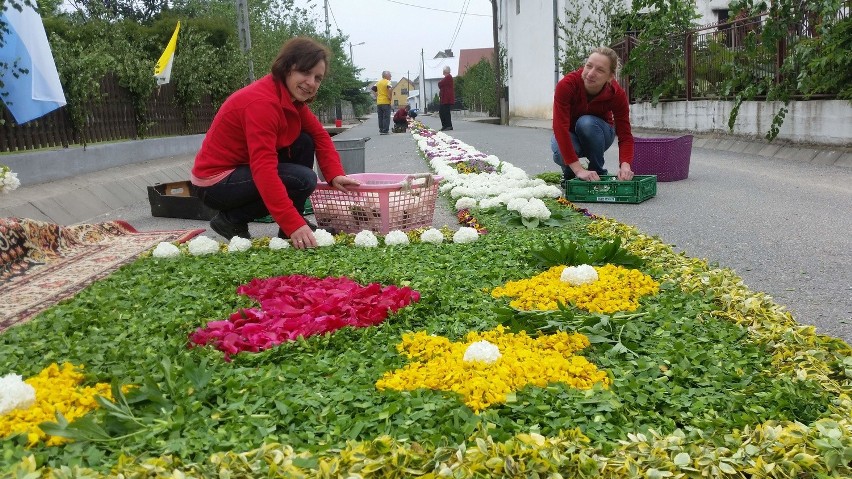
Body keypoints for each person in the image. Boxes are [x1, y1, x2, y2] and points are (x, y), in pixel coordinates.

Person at [191, 36, 360, 250]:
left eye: (318, 78)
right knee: (303, 179)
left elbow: (320, 135)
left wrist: (334, 174)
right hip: (215, 183)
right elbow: (264, 169)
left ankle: (287, 228)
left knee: (304, 142)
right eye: (305, 72)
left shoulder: (290, 100)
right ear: (287, 67)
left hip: (241, 170)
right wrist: (293, 224)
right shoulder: (262, 103)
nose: (311, 83)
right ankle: (232, 220)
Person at [551, 46, 635, 183]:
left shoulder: (616, 94)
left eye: (600, 70)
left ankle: (597, 172)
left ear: (610, 77)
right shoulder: (567, 85)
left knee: (586, 123)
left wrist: (625, 164)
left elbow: (625, 135)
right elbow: (560, 128)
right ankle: (571, 174)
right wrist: (578, 169)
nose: (590, 73)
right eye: (589, 66)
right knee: (560, 153)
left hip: (600, 134)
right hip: (570, 134)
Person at [375, 71, 393, 135]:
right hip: (386, 102)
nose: (391, 76)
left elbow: (373, 89)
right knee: (386, 117)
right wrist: (390, 97)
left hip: (379, 102)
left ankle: (381, 130)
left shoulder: (378, 83)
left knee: (380, 117)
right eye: (390, 75)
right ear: (386, 76)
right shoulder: (388, 82)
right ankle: (385, 131)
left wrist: (377, 96)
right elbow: (390, 89)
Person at [438, 66, 454, 131]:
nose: (443, 72)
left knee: (446, 112)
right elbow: (440, 85)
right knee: (442, 112)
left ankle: (449, 125)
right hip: (444, 98)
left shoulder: (448, 77)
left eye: (444, 71)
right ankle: (444, 125)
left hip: (446, 99)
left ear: (446, 71)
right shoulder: (447, 78)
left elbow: (440, 84)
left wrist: (440, 82)